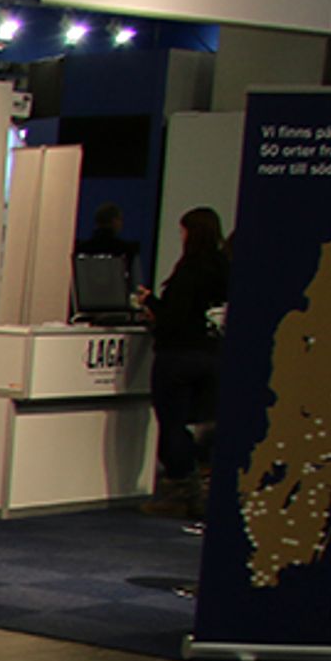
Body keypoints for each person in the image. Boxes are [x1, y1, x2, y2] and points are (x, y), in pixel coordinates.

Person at [140, 205, 229, 511]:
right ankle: (201, 489)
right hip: (212, 355)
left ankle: (179, 490)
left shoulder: (189, 271)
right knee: (202, 424)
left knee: (173, 424)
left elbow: (172, 319)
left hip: (178, 358)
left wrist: (149, 301)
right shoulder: (225, 268)